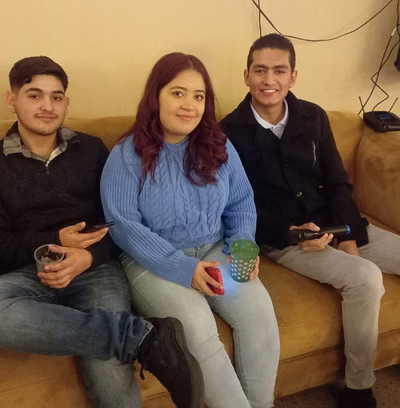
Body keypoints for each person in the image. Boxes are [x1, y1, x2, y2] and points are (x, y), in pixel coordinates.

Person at [0, 56, 204, 408]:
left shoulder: (92, 151)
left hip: (96, 269)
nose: (47, 106)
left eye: (56, 97)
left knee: (110, 376)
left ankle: (120, 338)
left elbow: (122, 222)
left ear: (66, 102)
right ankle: (140, 339)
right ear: (11, 100)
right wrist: (53, 242)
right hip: (29, 273)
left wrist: (87, 256)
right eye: (34, 95)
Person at [220, 33, 400, 408]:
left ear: (293, 76)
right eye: (260, 70)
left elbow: (338, 182)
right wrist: (290, 233)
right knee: (365, 277)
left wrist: (349, 236)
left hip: (337, 222)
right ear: (246, 75)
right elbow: (235, 205)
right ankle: (359, 389)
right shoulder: (228, 132)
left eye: (279, 70)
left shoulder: (313, 117)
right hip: (283, 237)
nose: (269, 80)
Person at [101, 52, 280, 408]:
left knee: (259, 315)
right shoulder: (126, 154)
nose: (189, 105)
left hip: (215, 253)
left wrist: (241, 245)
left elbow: (241, 202)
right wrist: (183, 268)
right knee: (197, 330)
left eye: (198, 96)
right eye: (177, 93)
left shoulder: (219, 144)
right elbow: (123, 225)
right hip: (152, 263)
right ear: (155, 96)